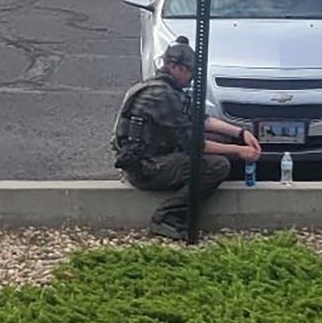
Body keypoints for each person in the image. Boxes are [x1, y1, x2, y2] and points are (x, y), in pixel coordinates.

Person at [111, 37, 262, 239]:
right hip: (145, 168)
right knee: (217, 166)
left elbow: (201, 119)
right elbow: (195, 145)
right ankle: (167, 217)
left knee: (222, 140)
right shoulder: (161, 95)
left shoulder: (162, 88)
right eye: (190, 71)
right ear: (174, 67)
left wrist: (241, 133)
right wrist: (239, 151)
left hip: (150, 159)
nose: (192, 78)